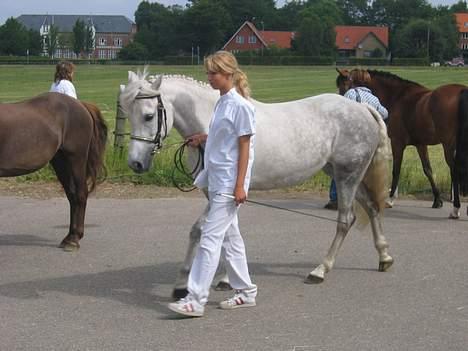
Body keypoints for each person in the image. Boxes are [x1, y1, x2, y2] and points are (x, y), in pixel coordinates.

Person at [168, 50, 257, 318]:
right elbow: (225, 136)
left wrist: (240, 186)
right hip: (217, 179)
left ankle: (195, 299)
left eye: (213, 73)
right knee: (231, 240)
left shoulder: (242, 106)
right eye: (208, 73)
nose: (209, 78)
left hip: (230, 184)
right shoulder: (222, 103)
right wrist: (204, 138)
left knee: (210, 237)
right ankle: (246, 292)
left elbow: (244, 148)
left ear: (228, 73)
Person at [324, 68, 388, 211]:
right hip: (369, 140)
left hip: (352, 138)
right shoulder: (374, 98)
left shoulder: (351, 94)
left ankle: (335, 198)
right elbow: (384, 113)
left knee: (338, 166)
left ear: (354, 81)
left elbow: (341, 111)